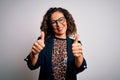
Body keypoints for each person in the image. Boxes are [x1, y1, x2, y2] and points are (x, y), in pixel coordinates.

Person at [25, 7, 87, 80]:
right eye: (54, 22)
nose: (58, 24)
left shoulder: (75, 44)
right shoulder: (43, 42)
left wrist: (79, 56)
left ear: (67, 20)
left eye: (61, 19)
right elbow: (33, 65)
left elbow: (80, 67)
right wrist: (34, 54)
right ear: (50, 25)